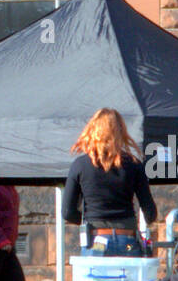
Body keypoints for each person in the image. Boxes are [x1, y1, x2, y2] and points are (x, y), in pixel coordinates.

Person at [64, 108, 157, 256]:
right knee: (129, 279)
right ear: (120, 132)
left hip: (96, 240)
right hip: (127, 241)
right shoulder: (134, 164)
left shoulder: (80, 165)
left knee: (95, 279)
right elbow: (150, 213)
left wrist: (87, 220)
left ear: (92, 131)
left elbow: (67, 212)